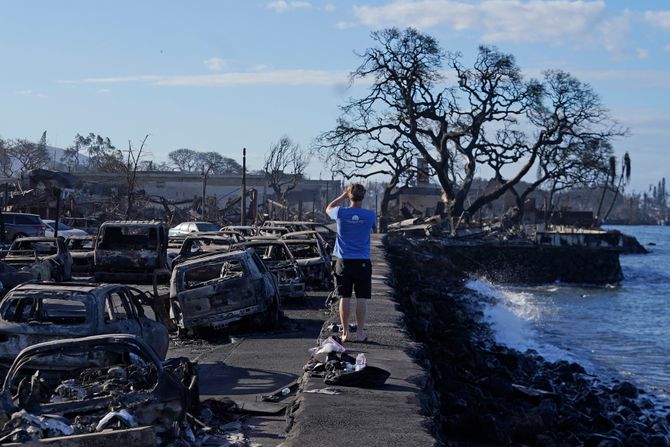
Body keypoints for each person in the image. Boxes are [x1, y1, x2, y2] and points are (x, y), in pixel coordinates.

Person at [326, 183, 376, 342]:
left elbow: (328, 208)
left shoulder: (340, 212)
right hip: (362, 261)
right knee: (361, 298)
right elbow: (374, 230)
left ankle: (345, 333)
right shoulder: (370, 215)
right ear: (364, 196)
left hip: (343, 261)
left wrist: (342, 196)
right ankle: (360, 333)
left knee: (344, 297)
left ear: (349, 195)